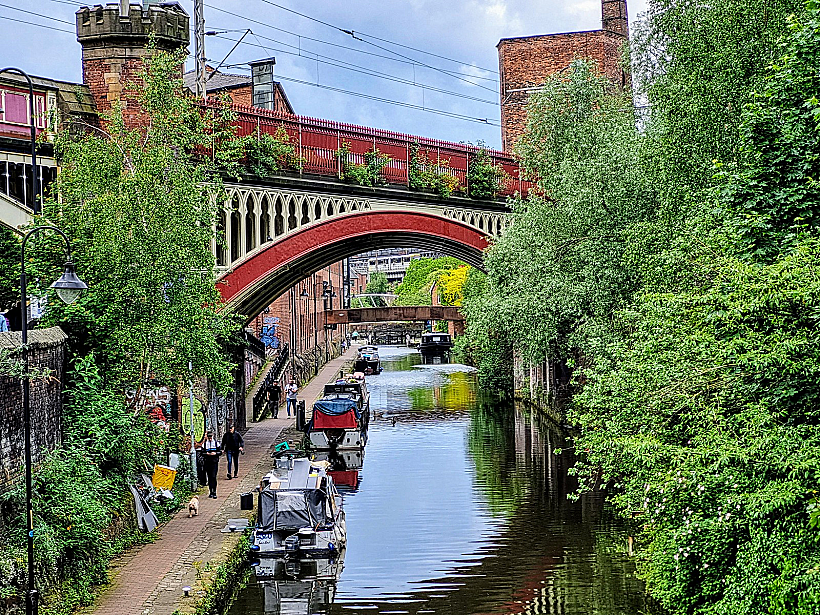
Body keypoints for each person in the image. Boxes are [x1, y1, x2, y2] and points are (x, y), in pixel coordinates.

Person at [202, 430, 222, 498]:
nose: (210, 438)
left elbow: (220, 452)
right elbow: (202, 453)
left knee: (213, 477)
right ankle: (211, 491)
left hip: (214, 462)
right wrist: (206, 454)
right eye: (209, 437)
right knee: (209, 477)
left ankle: (214, 491)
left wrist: (215, 453)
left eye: (211, 437)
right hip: (207, 462)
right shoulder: (204, 444)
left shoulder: (216, 444)